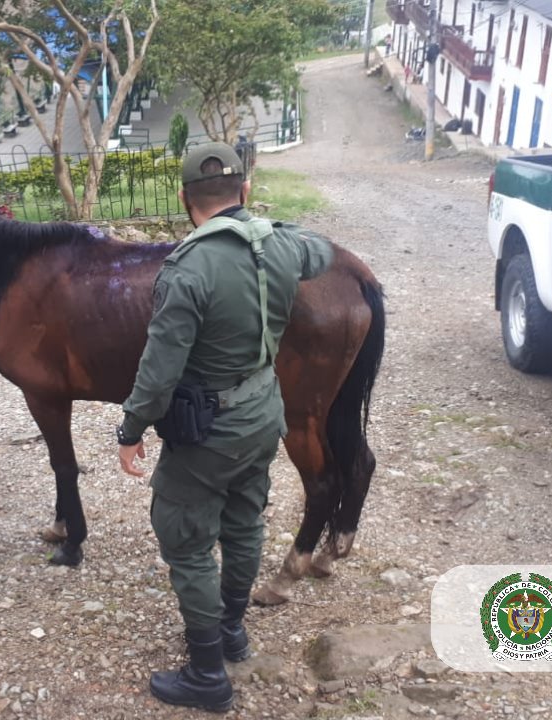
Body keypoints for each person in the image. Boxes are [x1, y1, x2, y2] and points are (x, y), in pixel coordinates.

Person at [116, 143, 333, 712]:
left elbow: (159, 372)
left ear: (184, 198)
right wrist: (267, 225)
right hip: (263, 411)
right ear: (246, 192)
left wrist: (131, 429)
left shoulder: (187, 268)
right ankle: (232, 630)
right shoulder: (281, 244)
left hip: (208, 431)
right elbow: (321, 250)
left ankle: (208, 674)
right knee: (243, 523)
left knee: (186, 539)